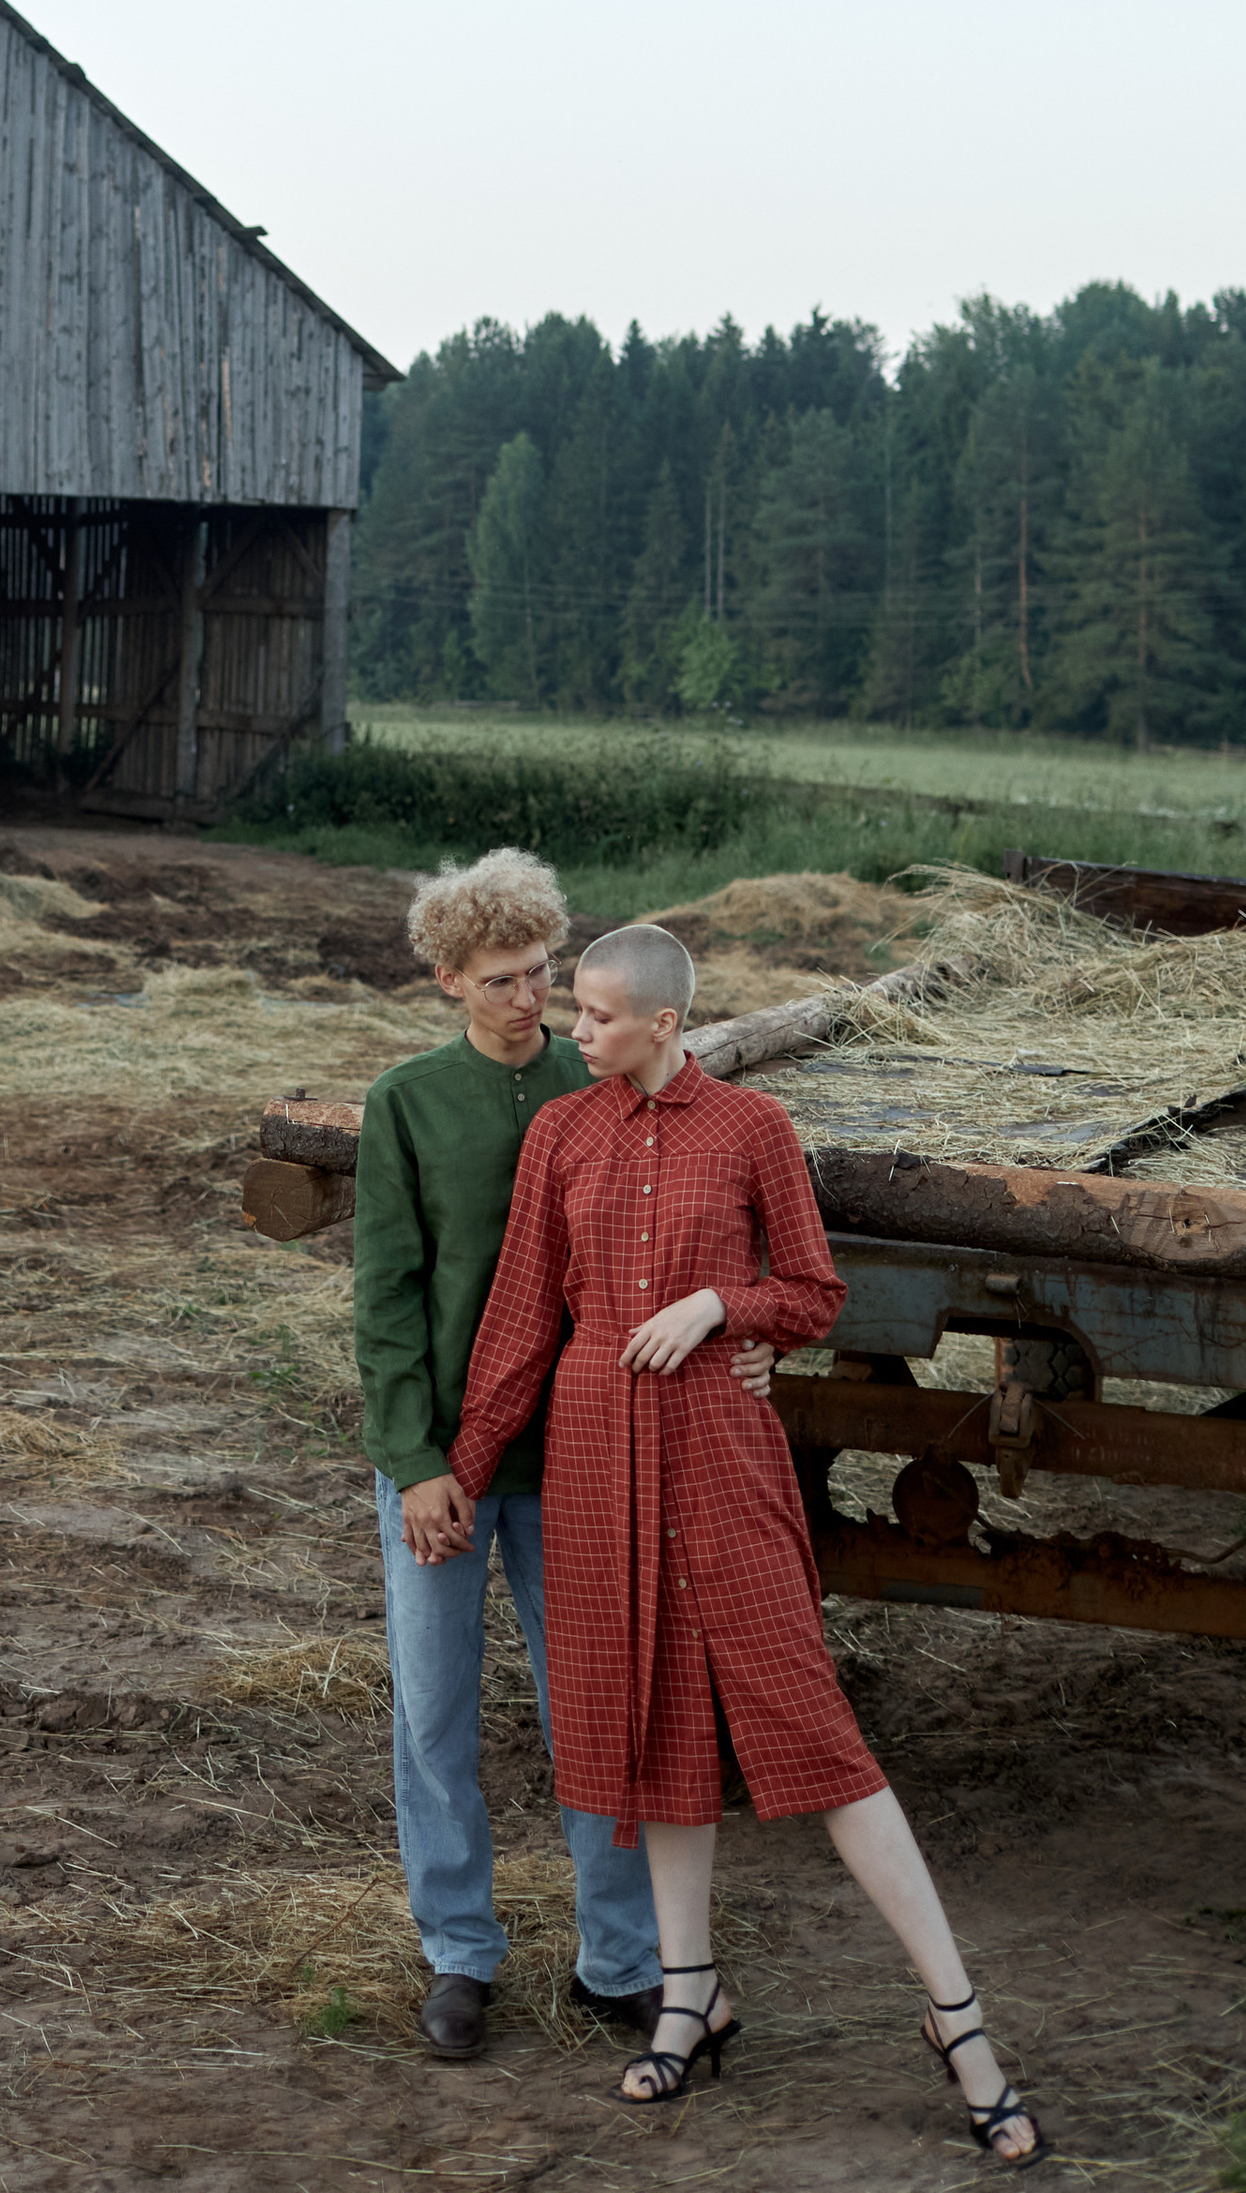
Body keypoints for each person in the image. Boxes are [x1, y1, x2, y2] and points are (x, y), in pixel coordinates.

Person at [441, 920, 1047, 2162]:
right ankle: (688, 1997)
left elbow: (815, 1294)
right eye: (577, 1013)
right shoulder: (561, 1133)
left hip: (722, 1457)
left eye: (598, 1014)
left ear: (665, 1022)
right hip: (600, 1464)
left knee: (811, 1730)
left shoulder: (754, 1132)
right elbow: (517, 1322)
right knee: (658, 1727)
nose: (575, 1029)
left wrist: (721, 1304)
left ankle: (959, 2019)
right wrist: (453, 1475)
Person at [351, 850, 780, 2063]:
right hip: (441, 1457)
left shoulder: (605, 1090)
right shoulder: (407, 1102)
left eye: (542, 973)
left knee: (597, 1704)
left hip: (586, 1454)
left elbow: (705, 1235)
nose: (528, 999)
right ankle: (459, 1953)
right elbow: (384, 1296)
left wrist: (750, 1340)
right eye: (499, 981)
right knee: (433, 1711)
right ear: (446, 982)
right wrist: (414, 1453)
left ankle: (621, 1960)